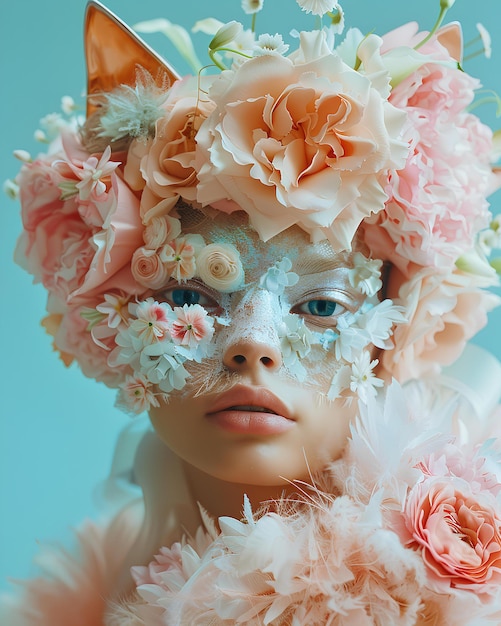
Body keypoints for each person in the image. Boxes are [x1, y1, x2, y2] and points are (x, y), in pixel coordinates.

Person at [3, 0, 501, 623]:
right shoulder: (88, 602)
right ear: (113, 320)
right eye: (188, 297)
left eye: (321, 305)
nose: (253, 344)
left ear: (395, 333)